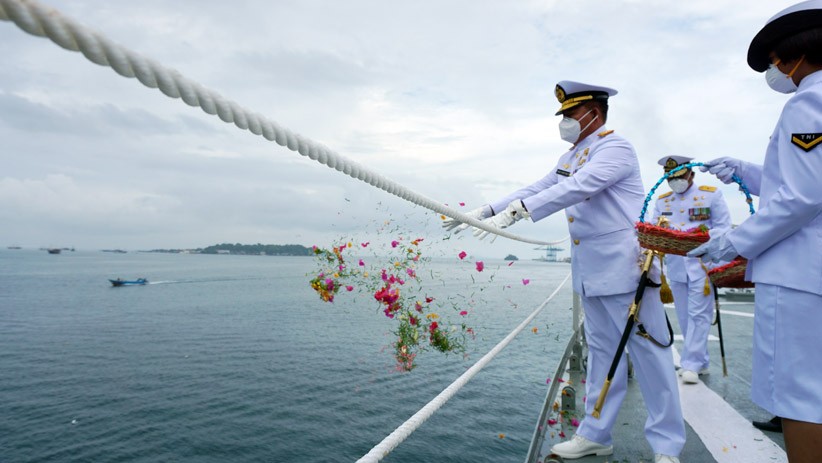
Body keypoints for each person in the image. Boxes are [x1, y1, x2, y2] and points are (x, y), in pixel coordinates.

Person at [445, 81, 684, 463]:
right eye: (565, 117)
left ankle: (667, 446)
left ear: (594, 113)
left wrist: (520, 210)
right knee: (602, 354)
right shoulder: (572, 156)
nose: (566, 123)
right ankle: (595, 434)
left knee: (650, 355)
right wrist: (487, 210)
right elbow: (541, 185)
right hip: (591, 271)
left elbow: (582, 185)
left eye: (571, 115)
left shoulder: (615, 147)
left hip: (627, 270)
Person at [688, 1, 822, 461]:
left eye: (774, 62)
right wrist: (746, 170)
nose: (775, 72)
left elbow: (804, 197)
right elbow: (805, 180)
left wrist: (731, 243)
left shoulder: (809, 100)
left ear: (794, 57)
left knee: (802, 399)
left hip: (801, 275)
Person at [652, 156, 731, 384]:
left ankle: (691, 364)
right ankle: (701, 361)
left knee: (699, 314)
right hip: (675, 265)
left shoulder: (710, 194)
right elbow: (654, 225)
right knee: (686, 315)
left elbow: (723, 227)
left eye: (679, 177)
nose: (675, 182)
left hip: (702, 264)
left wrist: (697, 238)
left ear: (691, 175)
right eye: (670, 179)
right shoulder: (662, 201)